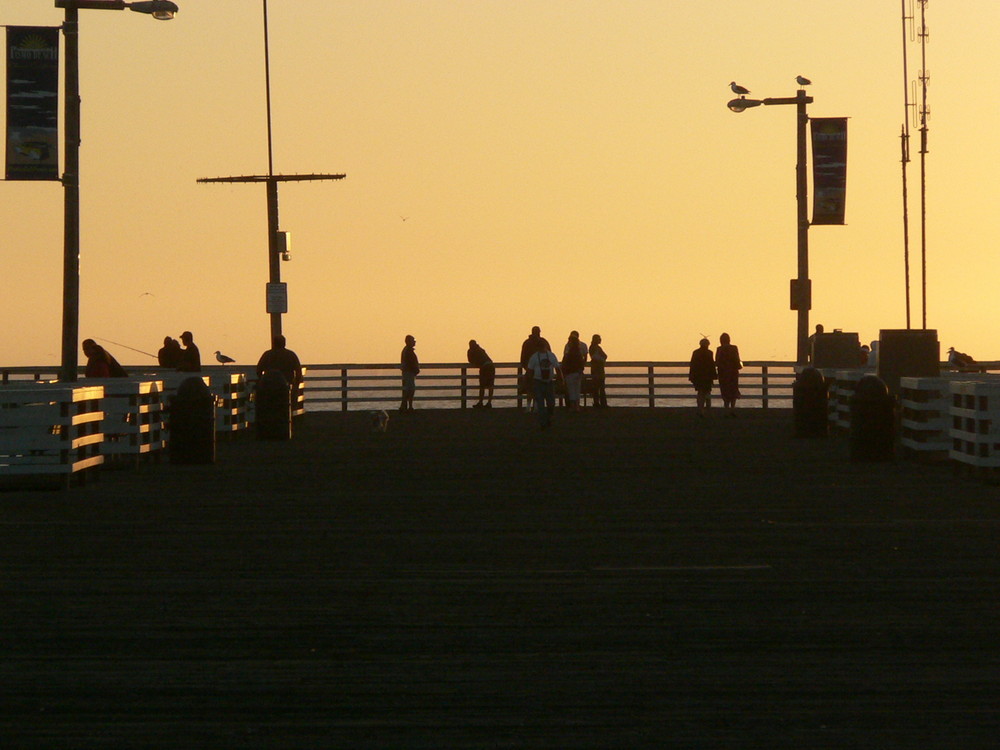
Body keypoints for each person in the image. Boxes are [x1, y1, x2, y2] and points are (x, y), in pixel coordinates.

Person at [525, 339, 561, 429]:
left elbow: (557, 368)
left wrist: (560, 379)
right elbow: (530, 371)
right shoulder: (534, 357)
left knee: (551, 403)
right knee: (540, 403)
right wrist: (529, 382)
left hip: (549, 381)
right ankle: (543, 422)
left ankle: (548, 418)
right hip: (538, 381)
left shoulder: (551, 356)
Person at [519, 326, 550, 410]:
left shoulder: (527, 343)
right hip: (541, 370)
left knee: (530, 389)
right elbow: (549, 355)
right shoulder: (544, 342)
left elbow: (523, 358)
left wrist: (527, 368)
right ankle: (536, 406)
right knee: (538, 389)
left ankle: (529, 407)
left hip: (530, 369)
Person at [715, 332, 743, 417]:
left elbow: (717, 361)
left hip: (723, 373)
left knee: (725, 390)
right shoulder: (734, 348)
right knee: (733, 390)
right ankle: (732, 409)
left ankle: (726, 409)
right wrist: (738, 366)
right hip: (733, 372)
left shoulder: (719, 349)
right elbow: (737, 359)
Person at [688, 337, 716, 416]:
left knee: (700, 392)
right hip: (707, 376)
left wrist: (691, 376)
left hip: (698, 376)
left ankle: (700, 409)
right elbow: (712, 365)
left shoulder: (696, 352)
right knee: (707, 392)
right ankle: (706, 409)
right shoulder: (709, 353)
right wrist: (714, 376)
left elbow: (692, 365)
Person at [561, 330, 587, 411]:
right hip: (578, 372)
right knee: (577, 389)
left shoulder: (569, 352)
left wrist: (563, 372)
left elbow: (564, 362)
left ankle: (572, 406)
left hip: (570, 373)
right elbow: (583, 361)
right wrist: (581, 369)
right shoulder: (579, 352)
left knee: (571, 389)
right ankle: (577, 406)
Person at [467, 339, 495, 408]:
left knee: (482, 386)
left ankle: (480, 402)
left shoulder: (471, 351)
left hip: (484, 367)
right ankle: (489, 403)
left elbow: (470, 360)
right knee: (490, 386)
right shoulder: (481, 350)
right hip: (491, 366)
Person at [400, 334, 419, 411]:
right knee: (410, 390)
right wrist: (415, 369)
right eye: (413, 340)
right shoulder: (408, 351)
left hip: (408, 372)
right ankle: (408, 406)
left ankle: (404, 406)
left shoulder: (407, 350)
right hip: (409, 373)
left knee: (407, 390)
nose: (414, 342)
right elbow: (410, 362)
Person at [589, 334, 608, 408]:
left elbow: (604, 356)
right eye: (599, 338)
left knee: (599, 387)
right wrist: (601, 359)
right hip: (597, 370)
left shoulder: (596, 348)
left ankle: (599, 403)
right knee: (598, 387)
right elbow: (600, 357)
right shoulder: (594, 348)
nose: (600, 340)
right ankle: (600, 403)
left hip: (597, 369)